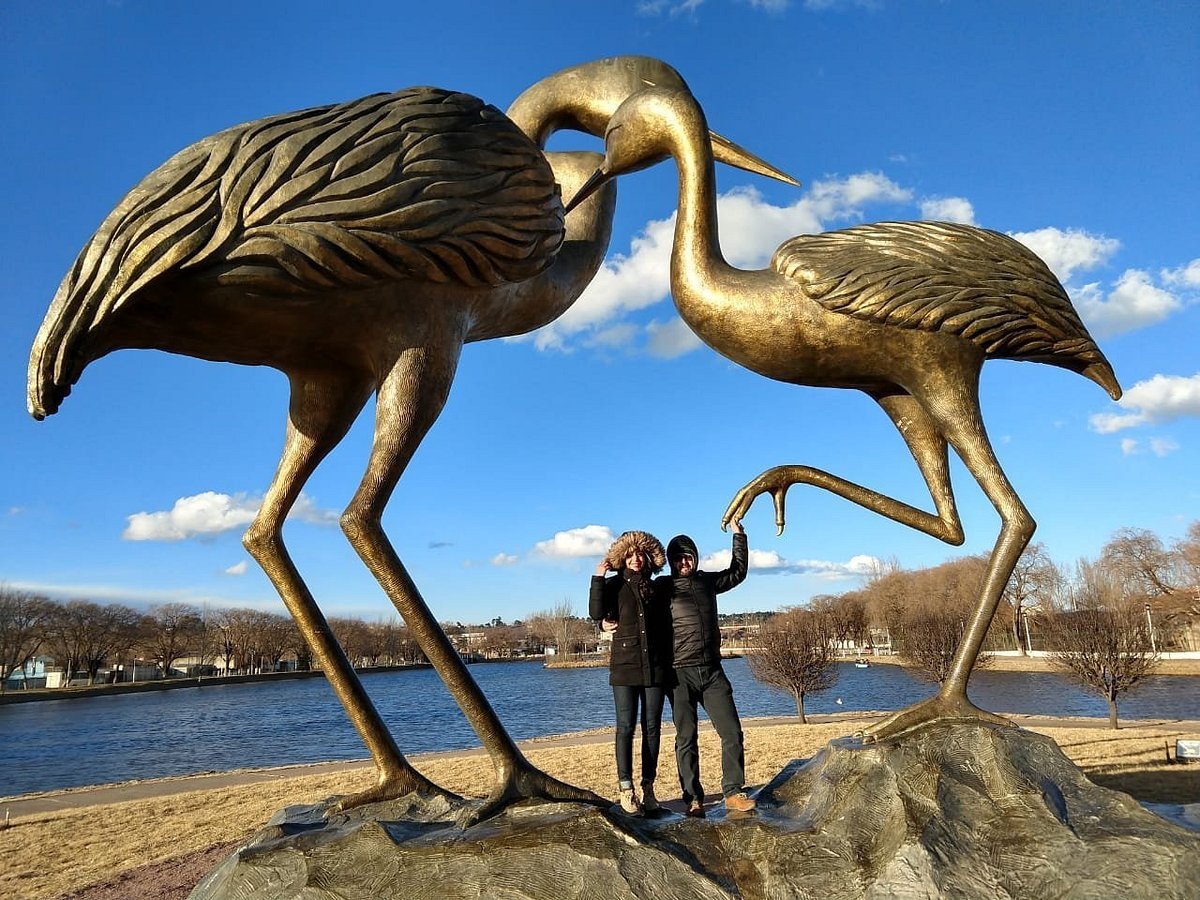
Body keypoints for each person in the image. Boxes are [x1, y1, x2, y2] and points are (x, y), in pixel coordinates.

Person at [659, 520, 755, 816]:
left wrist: (739, 536)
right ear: (671, 562)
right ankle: (692, 798)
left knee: (732, 732)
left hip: (712, 671)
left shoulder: (706, 582)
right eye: (677, 558)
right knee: (686, 738)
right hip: (679, 674)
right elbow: (631, 597)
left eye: (687, 557)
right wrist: (606, 618)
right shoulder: (662, 587)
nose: (683, 562)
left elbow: (737, 572)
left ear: (695, 558)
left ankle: (733, 792)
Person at [590, 530, 672, 816]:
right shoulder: (613, 586)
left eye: (641, 554)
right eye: (630, 555)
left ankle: (648, 787)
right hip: (624, 667)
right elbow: (595, 612)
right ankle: (627, 789)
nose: (636, 559)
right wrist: (598, 577)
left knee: (652, 728)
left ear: (649, 557)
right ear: (622, 558)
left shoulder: (658, 586)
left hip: (656, 667)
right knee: (625, 727)